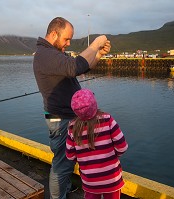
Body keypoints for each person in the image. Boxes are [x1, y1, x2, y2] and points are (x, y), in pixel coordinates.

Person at [33, 17, 111, 199]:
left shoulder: (52, 52)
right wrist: (96, 43)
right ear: (54, 34)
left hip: (60, 115)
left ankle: (65, 189)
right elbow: (75, 67)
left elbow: (80, 69)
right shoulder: (46, 55)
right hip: (59, 118)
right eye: (66, 39)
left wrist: (97, 54)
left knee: (65, 158)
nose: (68, 43)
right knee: (61, 164)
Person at [66, 89, 128, 199]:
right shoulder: (108, 120)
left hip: (90, 180)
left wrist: (83, 160)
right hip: (111, 178)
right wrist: (114, 156)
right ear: (94, 104)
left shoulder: (72, 127)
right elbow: (122, 147)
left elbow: (70, 155)